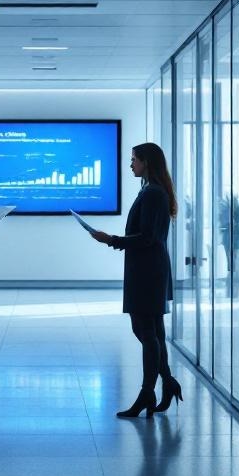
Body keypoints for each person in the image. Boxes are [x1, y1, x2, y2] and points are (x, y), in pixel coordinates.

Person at [91, 142, 182, 418]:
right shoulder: (150, 190)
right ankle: (166, 384)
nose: (130, 164)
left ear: (146, 163)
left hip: (148, 272)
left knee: (146, 332)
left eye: (134, 160)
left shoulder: (153, 193)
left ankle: (148, 392)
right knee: (152, 332)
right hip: (147, 269)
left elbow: (148, 237)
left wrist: (112, 240)